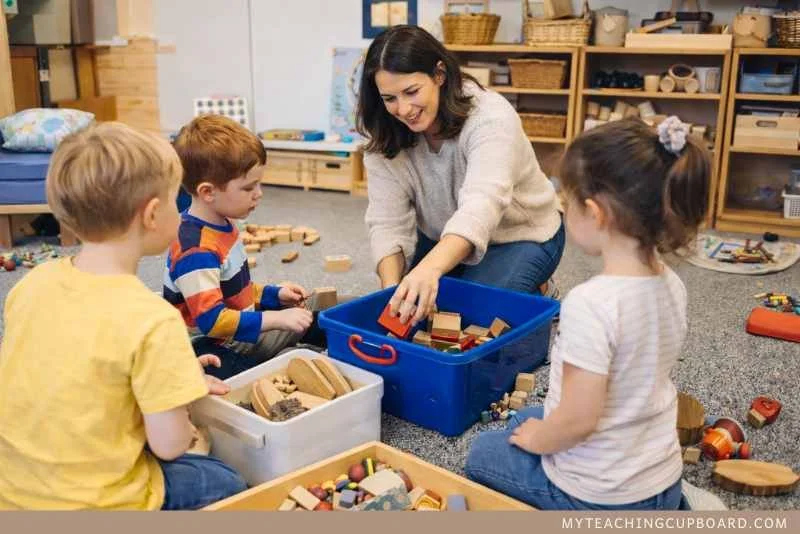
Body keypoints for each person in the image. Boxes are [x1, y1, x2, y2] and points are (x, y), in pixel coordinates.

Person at [465, 117, 711, 510]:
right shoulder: (671, 284)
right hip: (660, 478)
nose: (564, 209)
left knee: (483, 452)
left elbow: (580, 422)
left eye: (567, 202)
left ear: (595, 214)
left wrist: (539, 440)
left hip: (599, 496)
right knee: (524, 419)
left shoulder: (591, 304)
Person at [0, 122, 246, 510]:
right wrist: (179, 401)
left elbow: (80, 363)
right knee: (225, 480)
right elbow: (169, 446)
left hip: (13, 494)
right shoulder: (152, 318)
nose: (182, 213)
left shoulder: (31, 285)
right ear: (151, 214)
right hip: (99, 502)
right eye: (176, 202)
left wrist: (171, 373)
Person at [357, 25, 565, 334]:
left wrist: (429, 269)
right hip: (445, 234)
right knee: (419, 313)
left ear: (439, 74)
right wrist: (392, 292)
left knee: (472, 323)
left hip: (521, 235)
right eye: (389, 98)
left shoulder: (490, 116)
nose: (403, 110)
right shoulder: (386, 132)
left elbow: (482, 205)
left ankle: (541, 288)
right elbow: (387, 222)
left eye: (412, 92)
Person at [164, 115, 320, 380]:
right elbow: (213, 321)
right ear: (208, 192)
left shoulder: (222, 223)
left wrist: (274, 295)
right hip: (208, 344)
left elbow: (234, 288)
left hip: (236, 330)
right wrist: (277, 320)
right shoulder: (196, 251)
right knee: (254, 377)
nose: (259, 193)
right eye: (249, 187)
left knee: (313, 317)